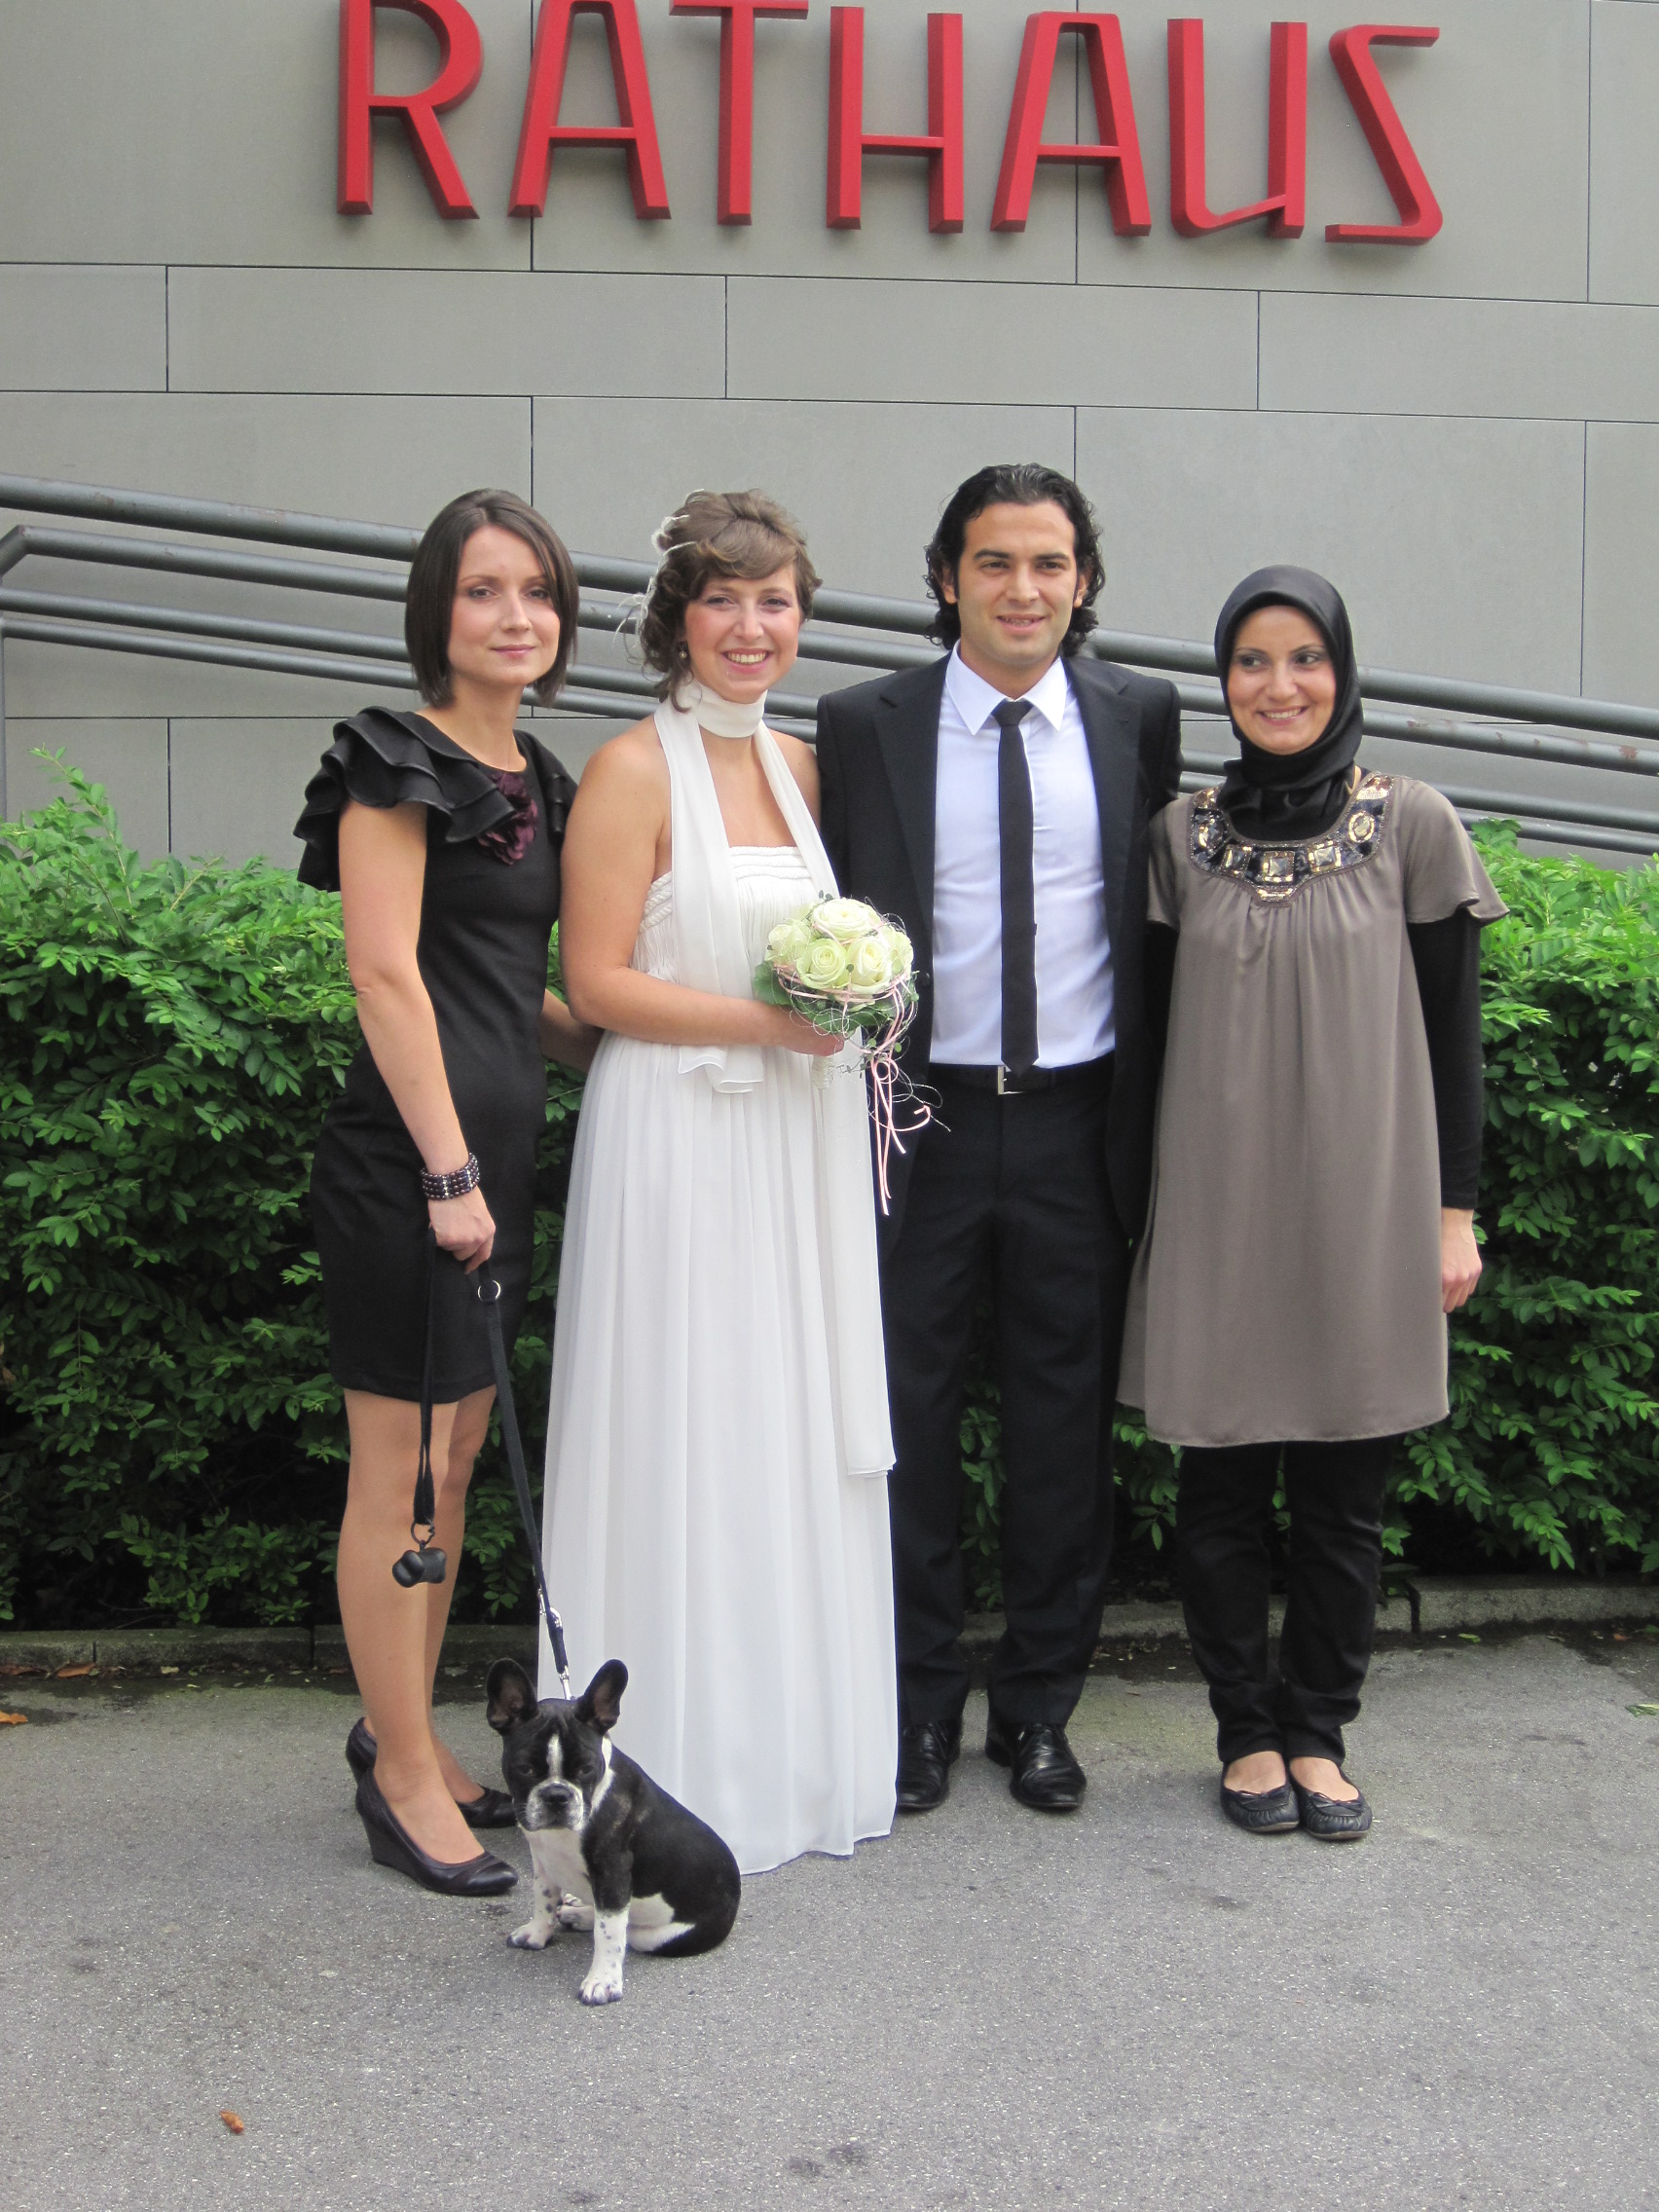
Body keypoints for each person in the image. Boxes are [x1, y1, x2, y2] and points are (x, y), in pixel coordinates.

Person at [816, 463, 1183, 1816]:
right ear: (946, 577)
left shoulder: (1141, 715)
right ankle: (917, 1707)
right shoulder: (864, 725)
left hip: (1081, 1123)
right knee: (902, 1420)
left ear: (1082, 581)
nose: (1022, 590)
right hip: (920, 1121)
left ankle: (1039, 1711)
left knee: (1062, 1434)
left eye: (1048, 564)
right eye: (993, 563)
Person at [1119, 566, 1505, 1841]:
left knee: (1345, 1499)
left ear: (1342, 671)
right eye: (1250, 661)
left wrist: (1455, 1212)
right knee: (1222, 1494)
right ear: (1222, 681)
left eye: (1304, 659)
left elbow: (1455, 1034)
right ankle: (1244, 1731)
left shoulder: (1413, 824)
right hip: (1217, 1211)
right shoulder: (1179, 839)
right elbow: (1145, 1043)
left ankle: (1319, 1733)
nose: (1278, 686)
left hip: (1367, 1209)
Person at [542, 490, 898, 1877]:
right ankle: (666, 1761)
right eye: (725, 601)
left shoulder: (806, 769)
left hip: (796, 1146)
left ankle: (790, 1753)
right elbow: (595, 982)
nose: (753, 628)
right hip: (679, 1140)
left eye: (776, 601)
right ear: (676, 619)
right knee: (683, 1418)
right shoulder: (632, 769)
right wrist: (769, 1023)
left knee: (778, 1427)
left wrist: (855, 1006)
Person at [296, 489, 597, 1896]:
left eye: (536, 590)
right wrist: (448, 1169)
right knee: (399, 1470)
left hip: (493, 1174)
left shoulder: (542, 773)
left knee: (457, 1462)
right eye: (484, 590)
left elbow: (511, 990)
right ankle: (403, 1778)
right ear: (437, 609)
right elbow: (386, 974)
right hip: (413, 1173)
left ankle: (403, 1729)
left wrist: (645, 1042)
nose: (514, 616)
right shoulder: (392, 759)